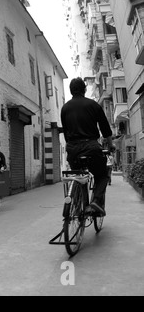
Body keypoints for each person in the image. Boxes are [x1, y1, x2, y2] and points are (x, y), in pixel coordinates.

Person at [61, 78, 115, 217]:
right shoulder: (93, 105)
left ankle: (78, 202)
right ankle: (95, 201)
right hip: (90, 146)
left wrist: (71, 146)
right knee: (102, 175)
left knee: (78, 175)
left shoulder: (65, 108)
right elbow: (105, 129)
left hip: (72, 149)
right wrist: (110, 145)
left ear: (71, 90)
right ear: (84, 89)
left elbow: (66, 132)